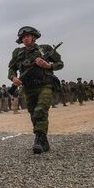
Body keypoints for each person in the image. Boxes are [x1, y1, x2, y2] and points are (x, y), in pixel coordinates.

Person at [8, 26, 64, 154]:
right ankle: (43, 141)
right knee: (34, 114)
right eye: (23, 37)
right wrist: (13, 78)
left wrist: (48, 65)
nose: (25, 39)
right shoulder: (18, 53)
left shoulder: (45, 49)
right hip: (28, 88)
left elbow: (60, 63)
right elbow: (11, 69)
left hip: (45, 85)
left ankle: (38, 140)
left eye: (28, 36)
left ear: (34, 37)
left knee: (40, 110)